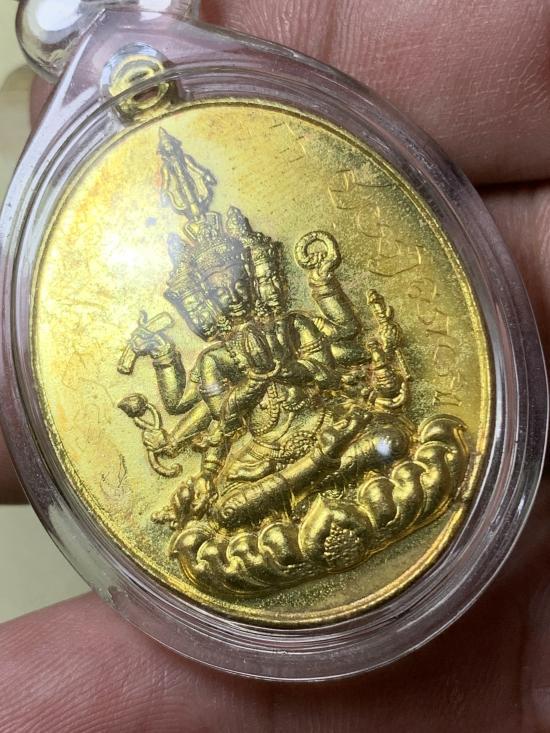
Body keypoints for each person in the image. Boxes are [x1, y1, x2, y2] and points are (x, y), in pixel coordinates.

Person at [2, 1, 550, 729]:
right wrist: (165, 381)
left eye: (245, 281)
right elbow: (188, 421)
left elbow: (344, 348)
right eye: (214, 296)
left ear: (262, 273)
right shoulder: (216, 361)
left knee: (386, 440)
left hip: (333, 432)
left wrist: (323, 284)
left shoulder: (288, 324)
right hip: (262, 467)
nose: (235, 300)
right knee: (229, 516)